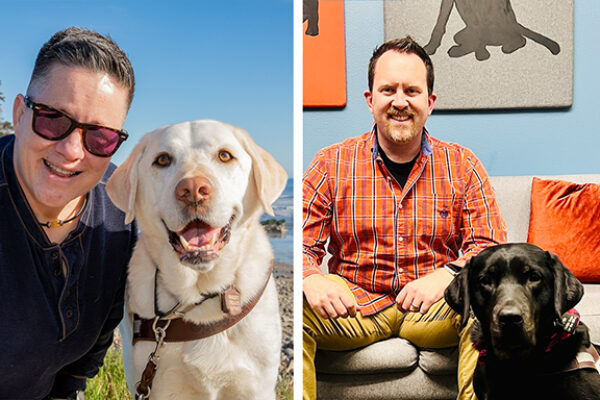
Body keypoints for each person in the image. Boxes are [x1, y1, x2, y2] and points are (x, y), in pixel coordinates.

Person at [302, 37, 507, 400]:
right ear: (370, 100)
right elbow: (298, 243)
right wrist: (311, 279)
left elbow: (490, 248)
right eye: (388, 90)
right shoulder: (330, 164)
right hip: (355, 306)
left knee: (488, 299)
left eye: (412, 90)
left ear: (429, 102)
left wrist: (448, 275)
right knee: (286, 309)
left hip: (435, 308)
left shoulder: (462, 165)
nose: (400, 101)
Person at [0, 27, 136, 399]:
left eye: (100, 137)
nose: (72, 150)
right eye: (53, 119)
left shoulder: (122, 210)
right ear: (19, 113)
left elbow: (98, 337)